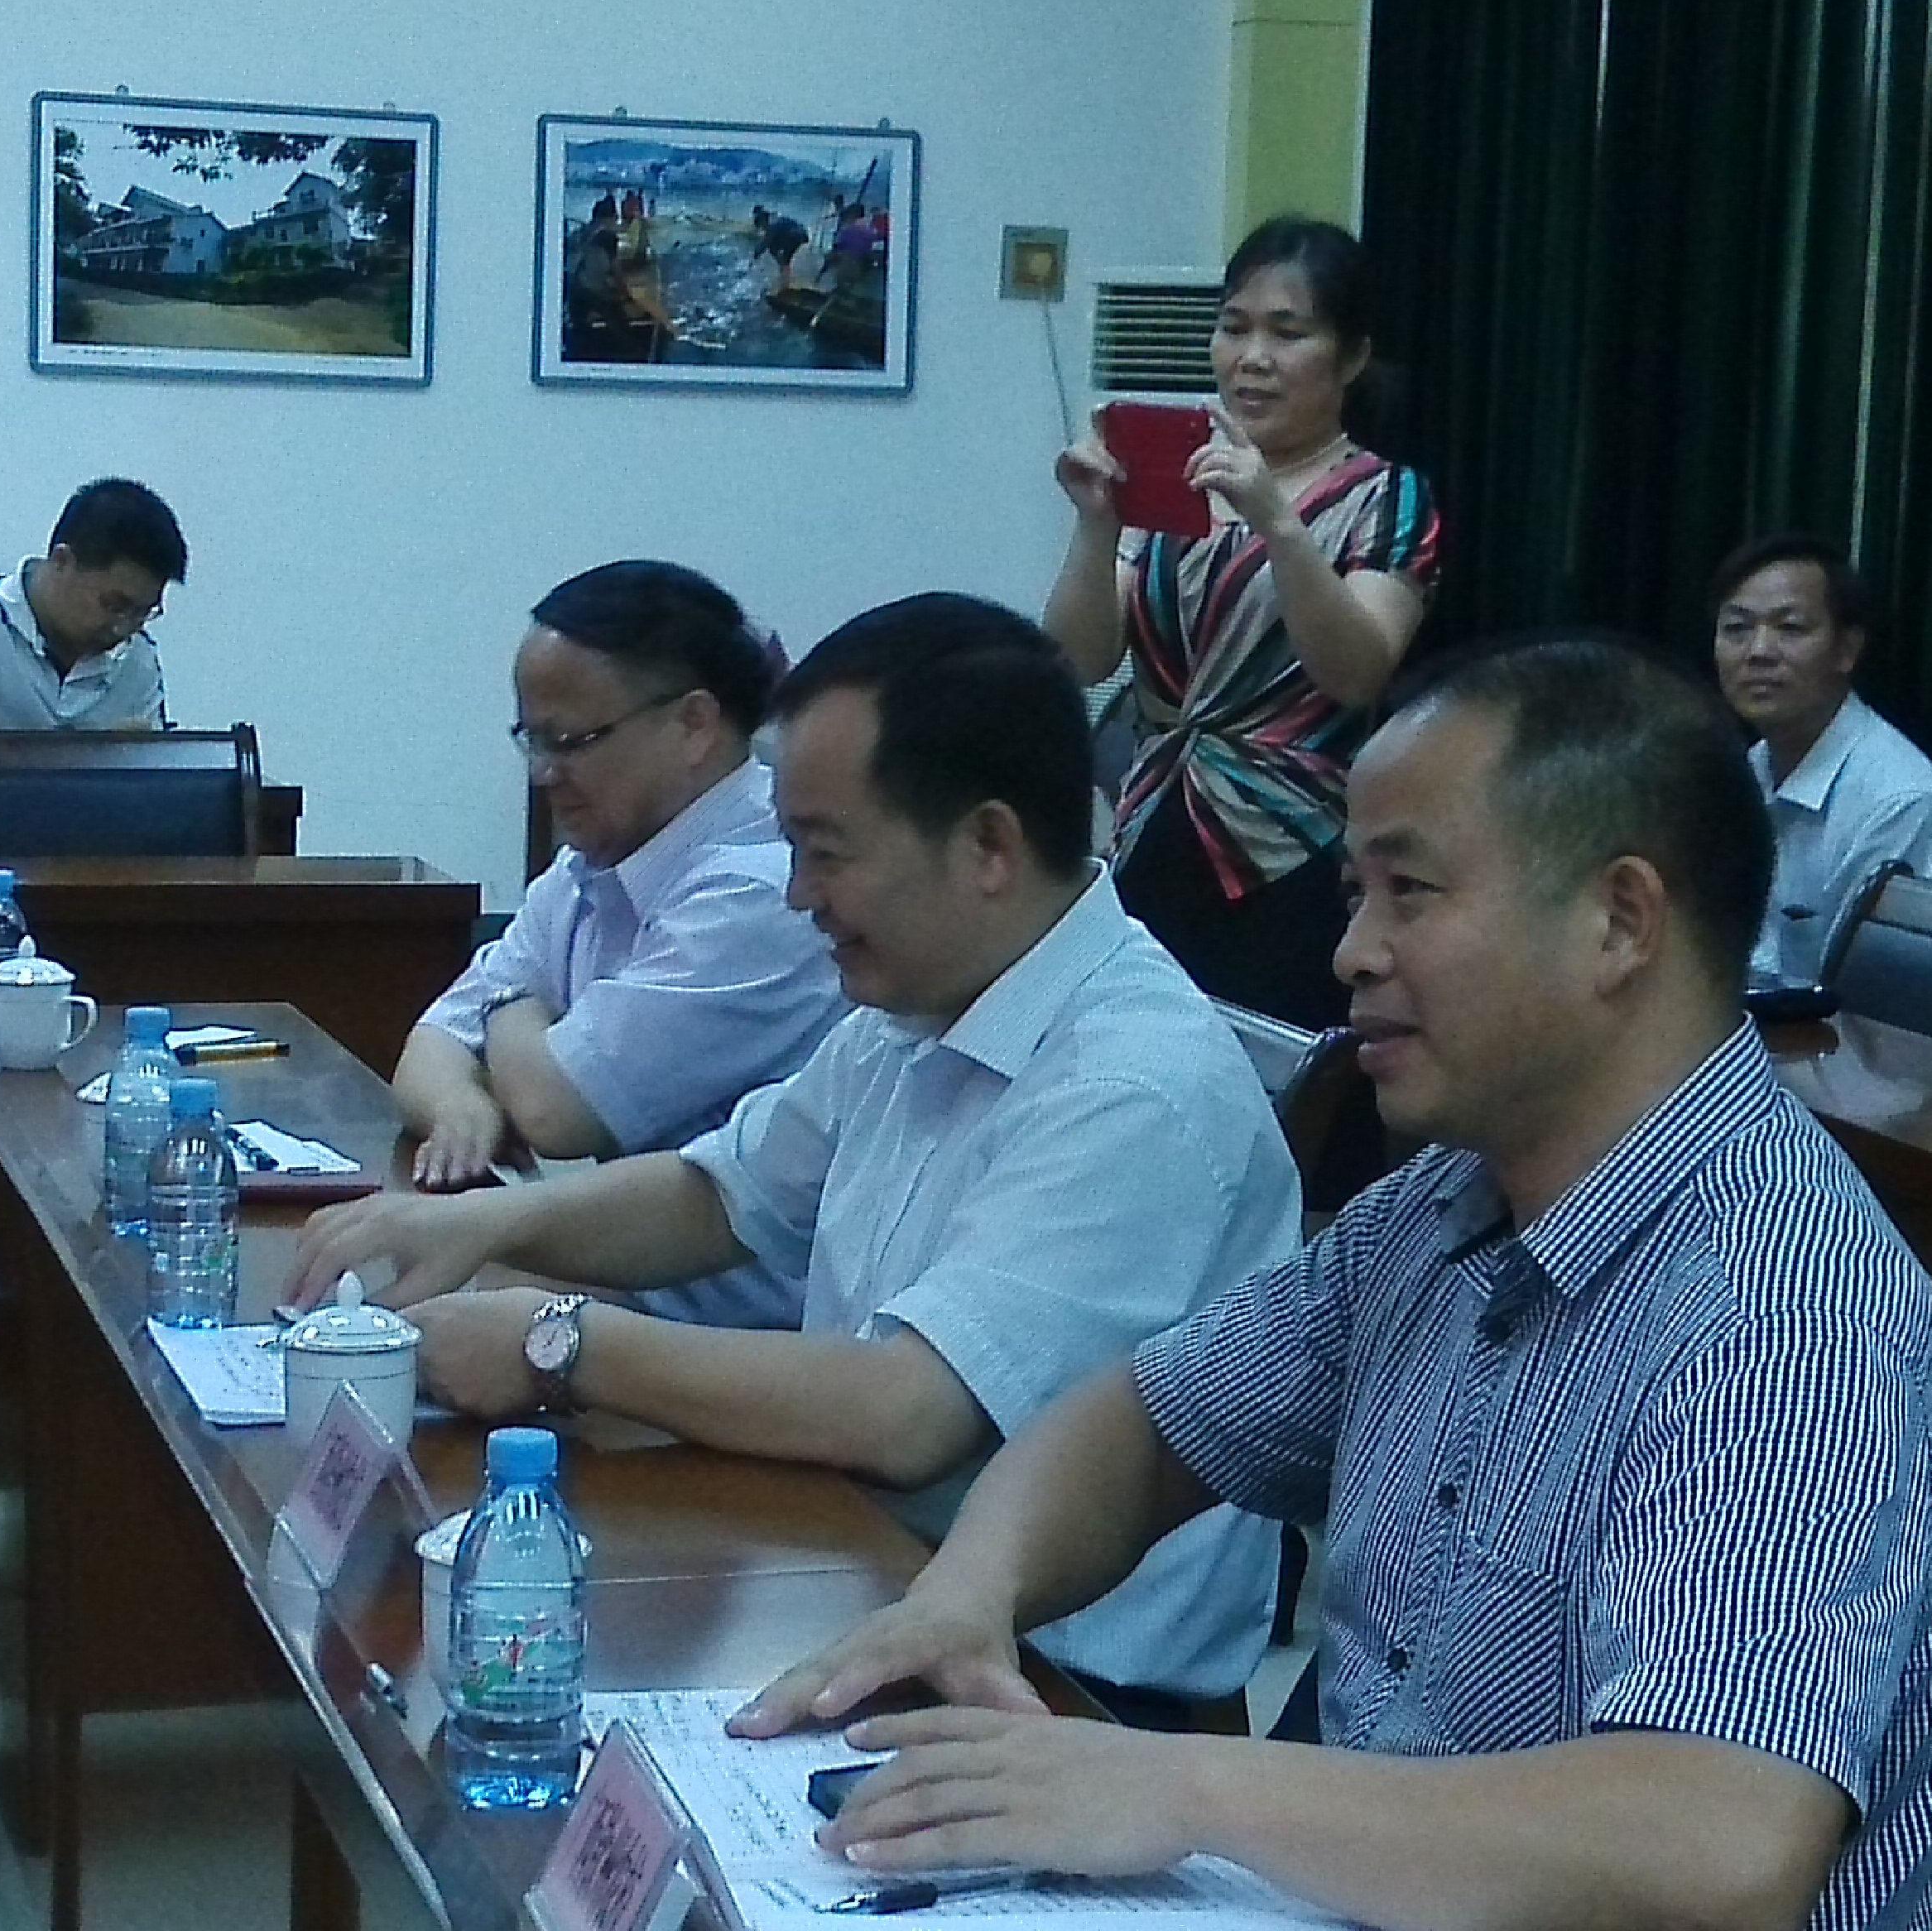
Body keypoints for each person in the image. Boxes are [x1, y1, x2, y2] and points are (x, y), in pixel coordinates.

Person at [735, 638, 1932, 1931]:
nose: (1350, 951)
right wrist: (969, 1597)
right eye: (1354, 893)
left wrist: (1186, 1788)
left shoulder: (1783, 1316)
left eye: (1410, 892)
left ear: (1620, 923)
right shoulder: (1437, 1212)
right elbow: (1148, 1424)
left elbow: (1715, 1840)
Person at [298, 595, 1294, 1728]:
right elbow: (717, 1196)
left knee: (523, 1688)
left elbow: (907, 1413)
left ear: (988, 846)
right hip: (856, 1569)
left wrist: (558, 1342)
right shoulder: (918, 1006)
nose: (795, 895)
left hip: (1061, 1695)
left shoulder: (1133, 1085)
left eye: (824, 853)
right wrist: (481, 1224)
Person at [396, 561, 847, 1331]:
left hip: (744, 1336)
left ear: (693, 724)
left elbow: (556, 1112)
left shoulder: (765, 886)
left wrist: (510, 1003)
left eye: (570, 741)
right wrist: (461, 1102)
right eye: (531, 741)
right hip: (622, 1287)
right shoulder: (595, 860)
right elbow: (430, 1043)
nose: (545, 774)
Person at [1042, 216, 1444, 1037]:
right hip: (1155, 827)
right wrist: (1094, 526)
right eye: (1234, 327)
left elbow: (1355, 670)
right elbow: (1077, 660)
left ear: (1351, 357)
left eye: (1287, 334)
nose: (1251, 357)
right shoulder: (1182, 474)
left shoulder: (1386, 495)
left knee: (1276, 1073)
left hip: (1297, 848)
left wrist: (1277, 523)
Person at [1707, 534, 1932, 981]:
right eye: (1737, 629)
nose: (1759, 651)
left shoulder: (1900, 805)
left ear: (1846, 650)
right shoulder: (1756, 765)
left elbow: (1878, 994)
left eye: (1790, 629)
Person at [0, 478, 182, 769]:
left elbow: (156, 768)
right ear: (62, 561)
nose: (124, 628)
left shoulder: (138, 654)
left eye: (143, 613)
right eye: (115, 606)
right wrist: (94, 751)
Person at [750, 204, 810, 291]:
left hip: (794, 236)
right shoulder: (775, 218)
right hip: (801, 233)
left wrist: (753, 261)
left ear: (763, 220)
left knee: (775, 251)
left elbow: (763, 246)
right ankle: (786, 279)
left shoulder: (772, 226)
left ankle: (785, 284)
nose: (762, 228)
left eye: (761, 226)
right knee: (778, 254)